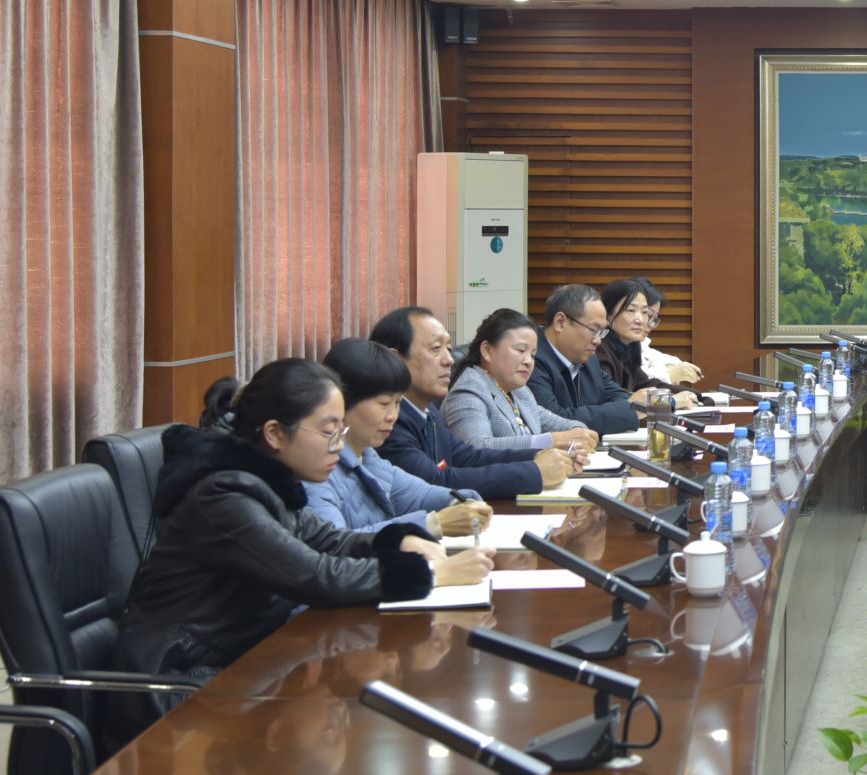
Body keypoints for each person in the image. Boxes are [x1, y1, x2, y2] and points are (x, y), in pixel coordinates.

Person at [115, 361, 495, 718]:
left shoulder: (268, 483)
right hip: (180, 686)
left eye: (341, 433)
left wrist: (400, 543)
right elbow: (315, 575)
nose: (339, 447)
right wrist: (432, 576)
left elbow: (330, 541)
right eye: (329, 433)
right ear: (275, 433)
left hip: (243, 665)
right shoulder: (224, 497)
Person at [370, 306, 584, 499]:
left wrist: (540, 455)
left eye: (448, 349)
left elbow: (467, 456)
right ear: (395, 360)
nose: (449, 359)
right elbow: (435, 482)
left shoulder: (426, 411)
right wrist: (535, 471)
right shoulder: (389, 422)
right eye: (436, 348)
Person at [305, 338, 496, 537]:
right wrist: (433, 523)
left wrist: (462, 501)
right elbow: (338, 543)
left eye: (397, 403)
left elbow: (419, 495)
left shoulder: (368, 456)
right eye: (383, 403)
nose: (392, 416)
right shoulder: (317, 470)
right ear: (341, 402)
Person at [443, 308, 599, 449]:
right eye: (520, 350)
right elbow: (478, 447)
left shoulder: (519, 391)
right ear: (487, 351)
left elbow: (556, 423)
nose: (528, 361)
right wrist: (550, 440)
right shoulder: (469, 390)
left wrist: (579, 432)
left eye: (533, 354)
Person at [525, 284, 641, 435]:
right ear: (560, 322)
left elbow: (620, 397)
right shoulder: (530, 360)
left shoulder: (587, 357)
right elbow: (555, 421)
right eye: (594, 330)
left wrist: (629, 407)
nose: (598, 340)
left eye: (602, 332)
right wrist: (629, 410)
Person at [598, 277, 699, 407]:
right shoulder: (598, 348)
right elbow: (618, 398)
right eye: (631, 310)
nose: (640, 320)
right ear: (607, 314)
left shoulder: (629, 347)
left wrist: (695, 396)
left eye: (645, 312)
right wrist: (671, 401)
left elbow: (644, 385)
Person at [632, 277, 702, 386]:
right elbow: (631, 384)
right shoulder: (606, 348)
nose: (650, 325)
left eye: (654, 318)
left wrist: (676, 366)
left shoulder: (637, 344)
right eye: (647, 314)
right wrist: (668, 374)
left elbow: (652, 356)